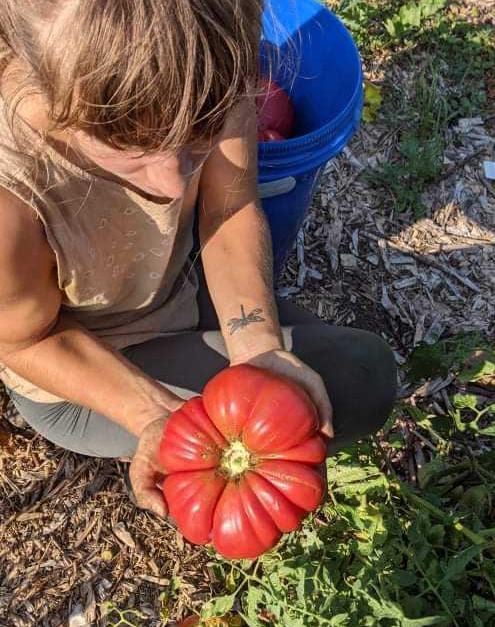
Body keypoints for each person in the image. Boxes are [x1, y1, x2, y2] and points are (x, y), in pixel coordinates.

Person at [0, 0, 396, 518]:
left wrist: (256, 345)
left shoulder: (200, 67)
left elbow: (229, 206)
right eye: (128, 147)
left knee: (340, 371)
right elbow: (26, 339)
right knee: (357, 379)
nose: (172, 183)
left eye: (199, 136)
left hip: (172, 283)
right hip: (88, 357)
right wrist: (152, 413)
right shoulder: (11, 198)